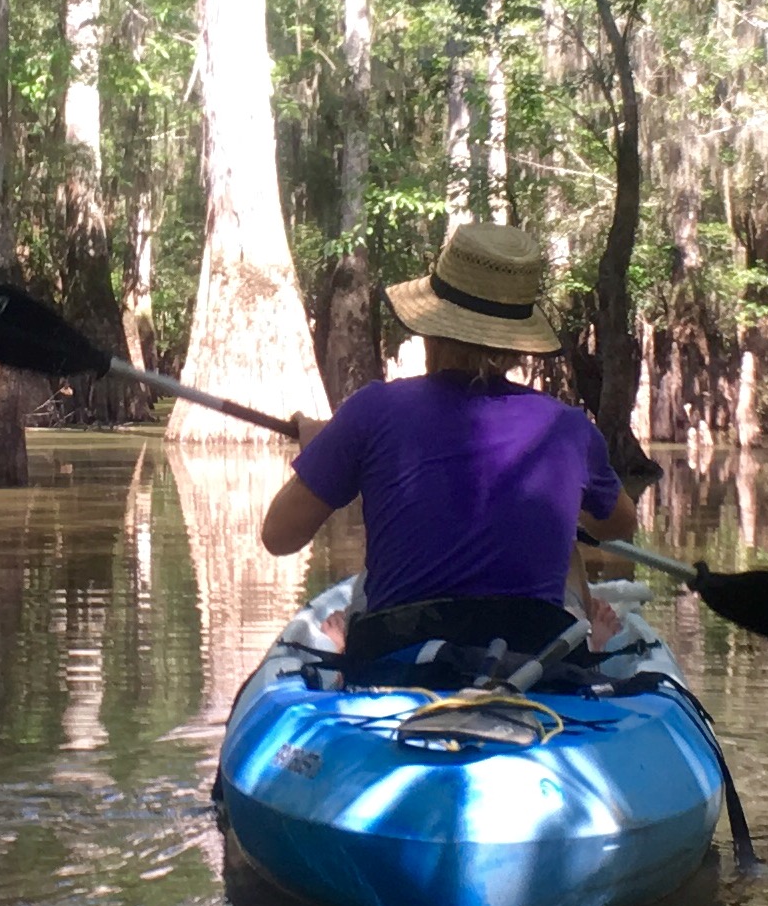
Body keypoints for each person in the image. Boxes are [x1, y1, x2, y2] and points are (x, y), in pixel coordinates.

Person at [260, 219, 636, 662]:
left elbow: (278, 536)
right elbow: (618, 524)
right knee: (569, 546)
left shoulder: (372, 411)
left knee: (370, 583)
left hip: (399, 654)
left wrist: (324, 452)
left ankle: (350, 643)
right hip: (530, 659)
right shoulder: (568, 428)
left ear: (430, 325)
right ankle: (585, 643)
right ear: (518, 343)